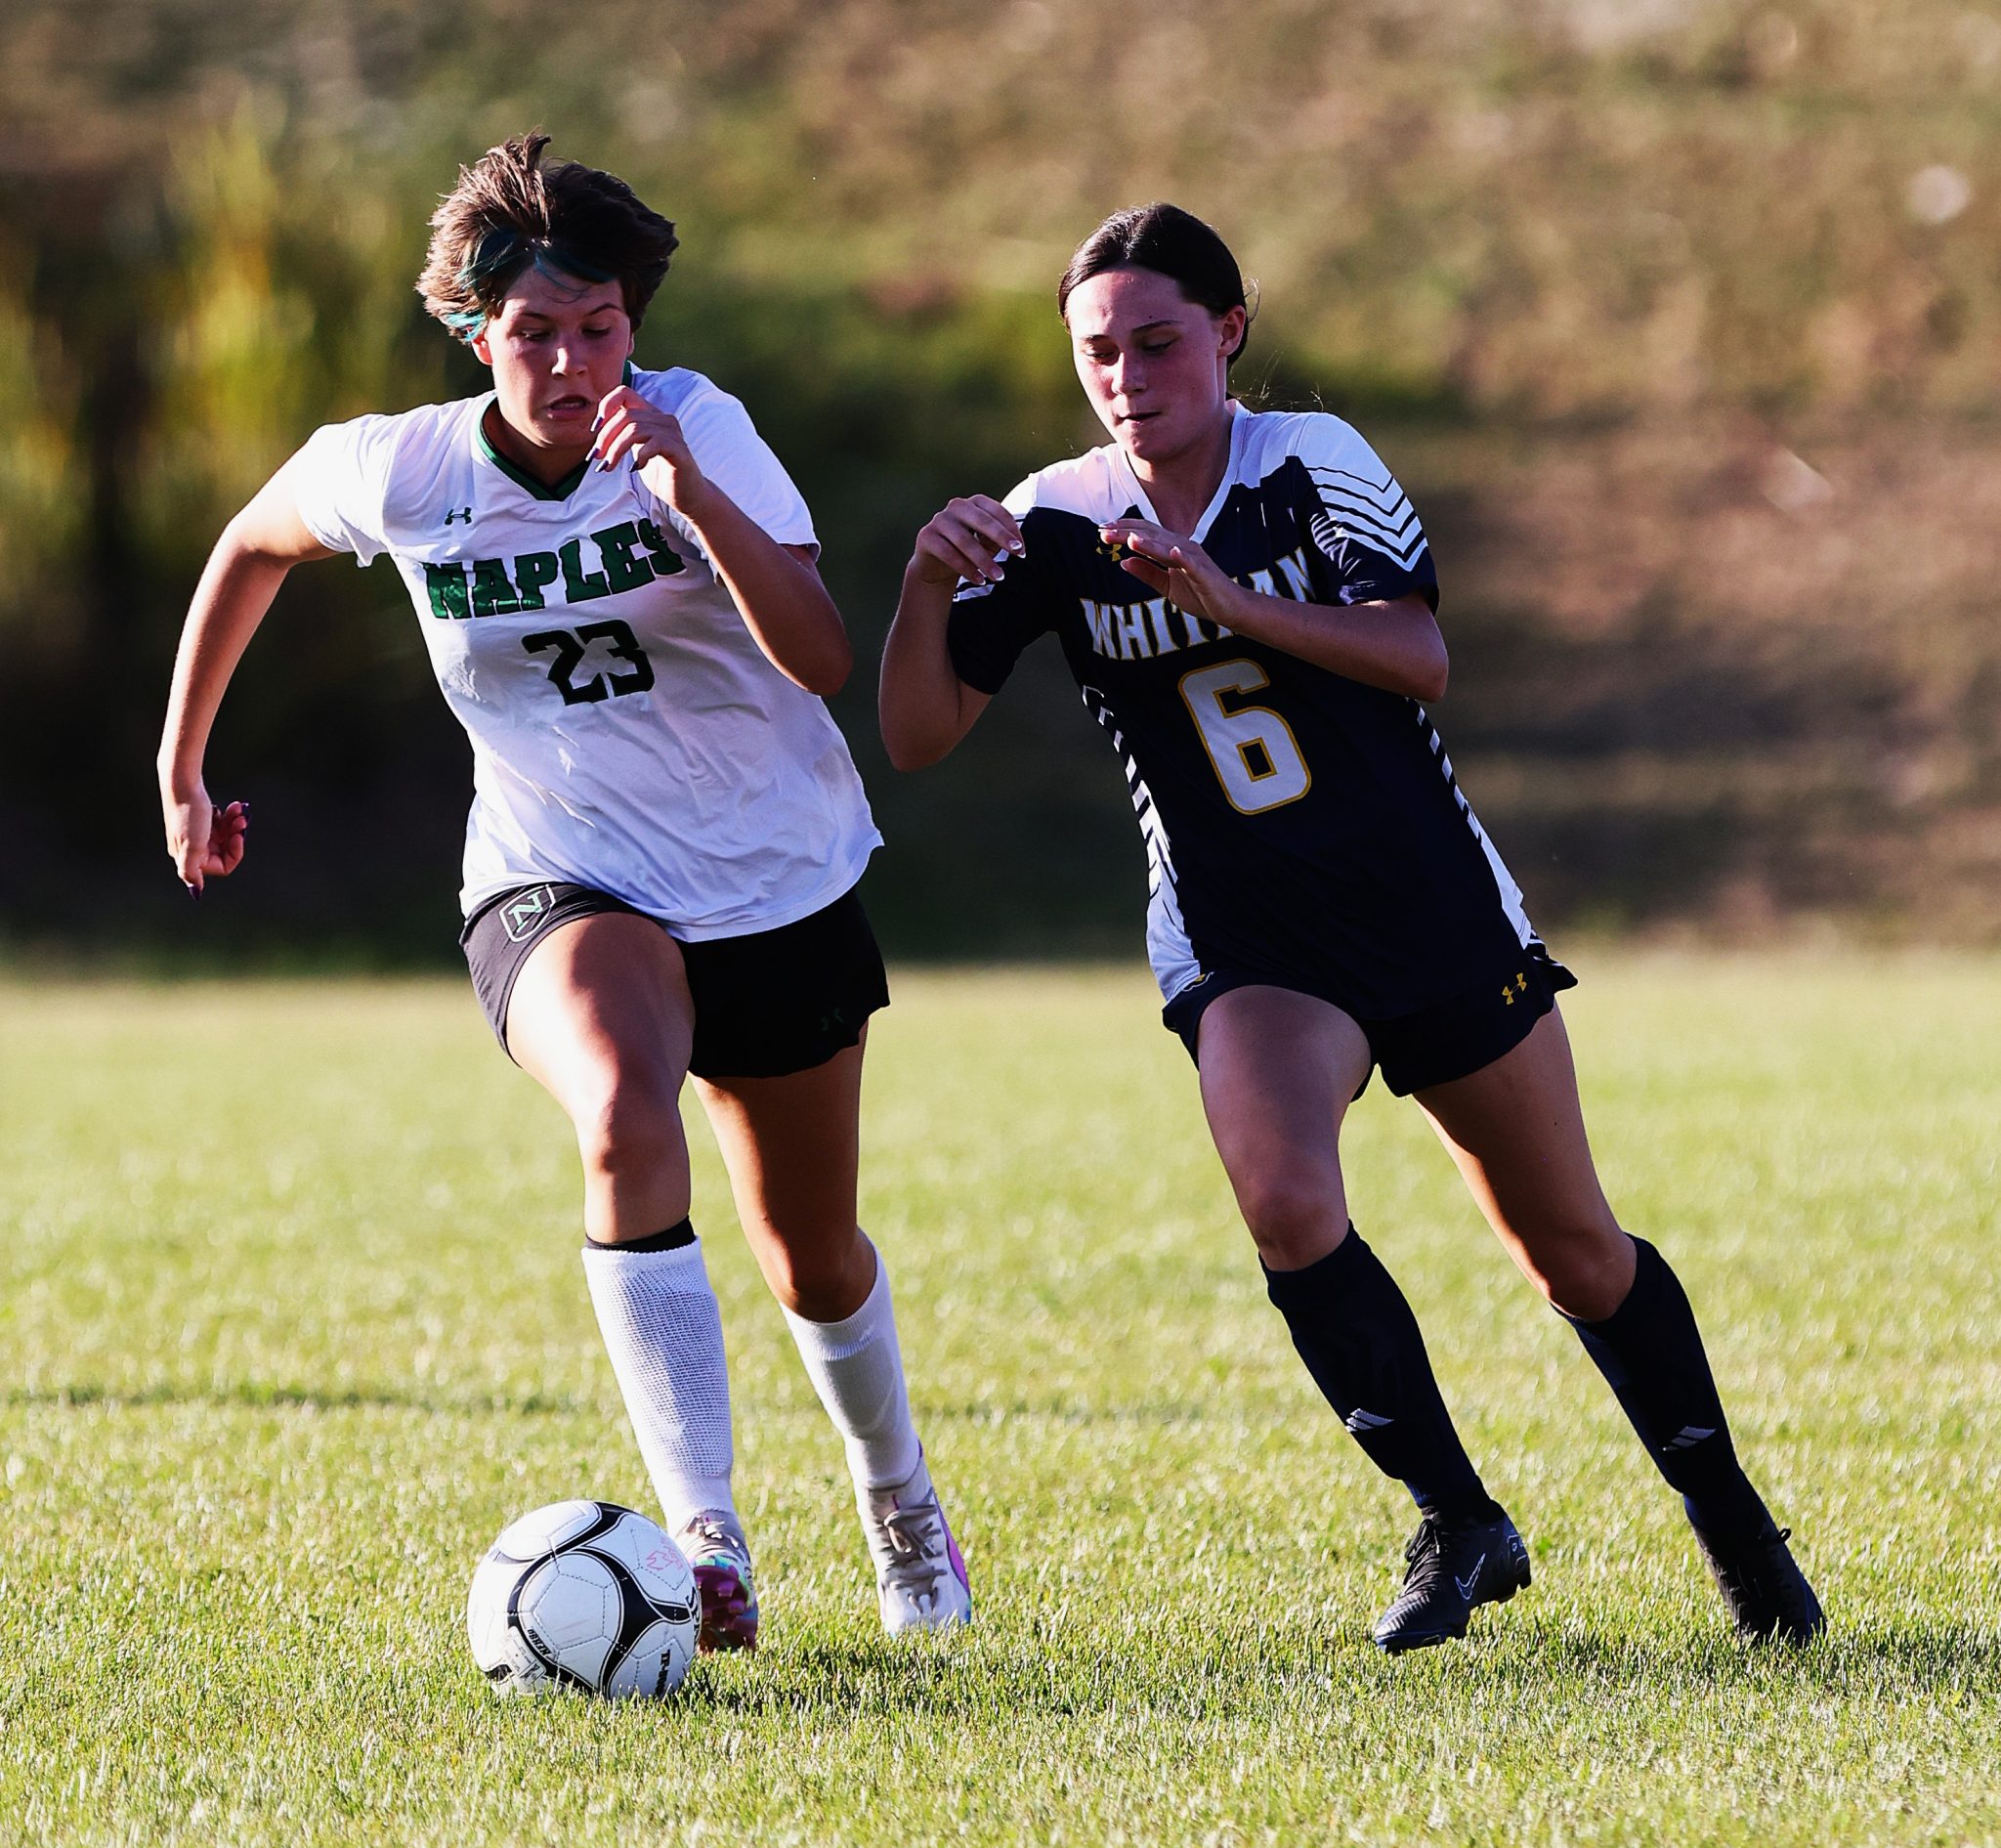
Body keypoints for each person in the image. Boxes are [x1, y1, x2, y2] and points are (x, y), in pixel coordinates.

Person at [879, 202, 1821, 1652]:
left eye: (1158, 340)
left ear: (1228, 334)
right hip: (1247, 932)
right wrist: (924, 588)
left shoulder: (1312, 466)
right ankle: (1459, 1516)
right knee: (1283, 1196)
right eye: (1098, 351)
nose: (1128, 374)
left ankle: (1736, 1532)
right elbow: (920, 735)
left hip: (1427, 907)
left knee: (1570, 1246)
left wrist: (1230, 601)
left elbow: (1420, 655)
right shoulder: (1058, 516)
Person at [157, 133, 970, 1651]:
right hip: (559, 874)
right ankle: (704, 1542)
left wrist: (687, 497)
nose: (573, 361)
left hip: (772, 877)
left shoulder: (700, 428)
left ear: (634, 329)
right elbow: (249, 545)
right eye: (535, 333)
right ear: (478, 334)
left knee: (812, 1249)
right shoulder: (402, 467)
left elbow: (820, 656)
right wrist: (182, 763)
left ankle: (895, 1489)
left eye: (600, 330)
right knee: (619, 1109)